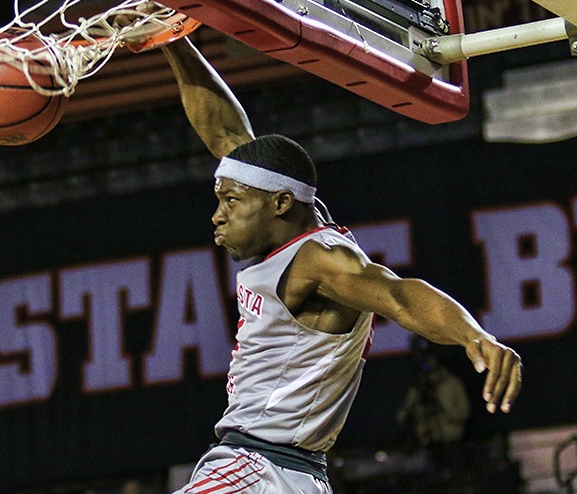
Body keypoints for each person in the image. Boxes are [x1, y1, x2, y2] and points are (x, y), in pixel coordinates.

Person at [159, 36, 522, 494]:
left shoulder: (320, 261)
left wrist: (476, 337)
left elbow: (399, 295)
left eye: (230, 200)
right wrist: (174, 40)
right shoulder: (299, 221)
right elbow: (227, 136)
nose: (218, 214)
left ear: (280, 202)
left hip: (260, 470)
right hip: (295, 474)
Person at [397, 337, 471, 447]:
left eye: (429, 357)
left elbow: (463, 414)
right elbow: (402, 417)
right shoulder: (418, 387)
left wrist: (442, 402)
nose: (427, 361)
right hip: (427, 445)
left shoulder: (451, 383)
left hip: (451, 442)